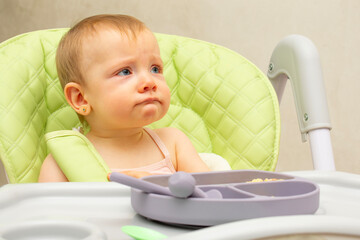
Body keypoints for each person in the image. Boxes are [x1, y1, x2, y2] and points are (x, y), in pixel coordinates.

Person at [38, 14, 210, 182]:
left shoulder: (173, 143)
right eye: (125, 71)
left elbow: (214, 195)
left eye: (155, 69)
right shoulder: (65, 160)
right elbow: (45, 210)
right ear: (81, 98)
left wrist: (158, 186)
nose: (149, 82)